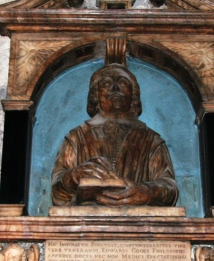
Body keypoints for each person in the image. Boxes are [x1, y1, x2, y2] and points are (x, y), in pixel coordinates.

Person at [51, 63, 178, 206]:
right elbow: (57, 192)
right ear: (95, 95)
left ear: (133, 95)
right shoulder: (76, 138)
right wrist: (74, 176)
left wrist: (145, 192)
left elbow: (169, 187)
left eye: (122, 82)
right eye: (106, 83)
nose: (115, 88)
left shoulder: (151, 140)